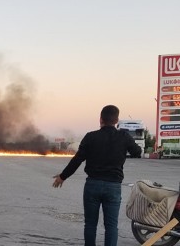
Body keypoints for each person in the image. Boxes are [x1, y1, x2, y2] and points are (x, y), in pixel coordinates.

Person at [52, 105, 142, 246]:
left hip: (92, 185)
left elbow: (77, 160)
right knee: (111, 226)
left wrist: (63, 176)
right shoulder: (124, 136)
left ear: (101, 119)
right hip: (113, 187)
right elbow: (137, 152)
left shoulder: (90, 137)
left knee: (90, 224)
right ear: (116, 120)